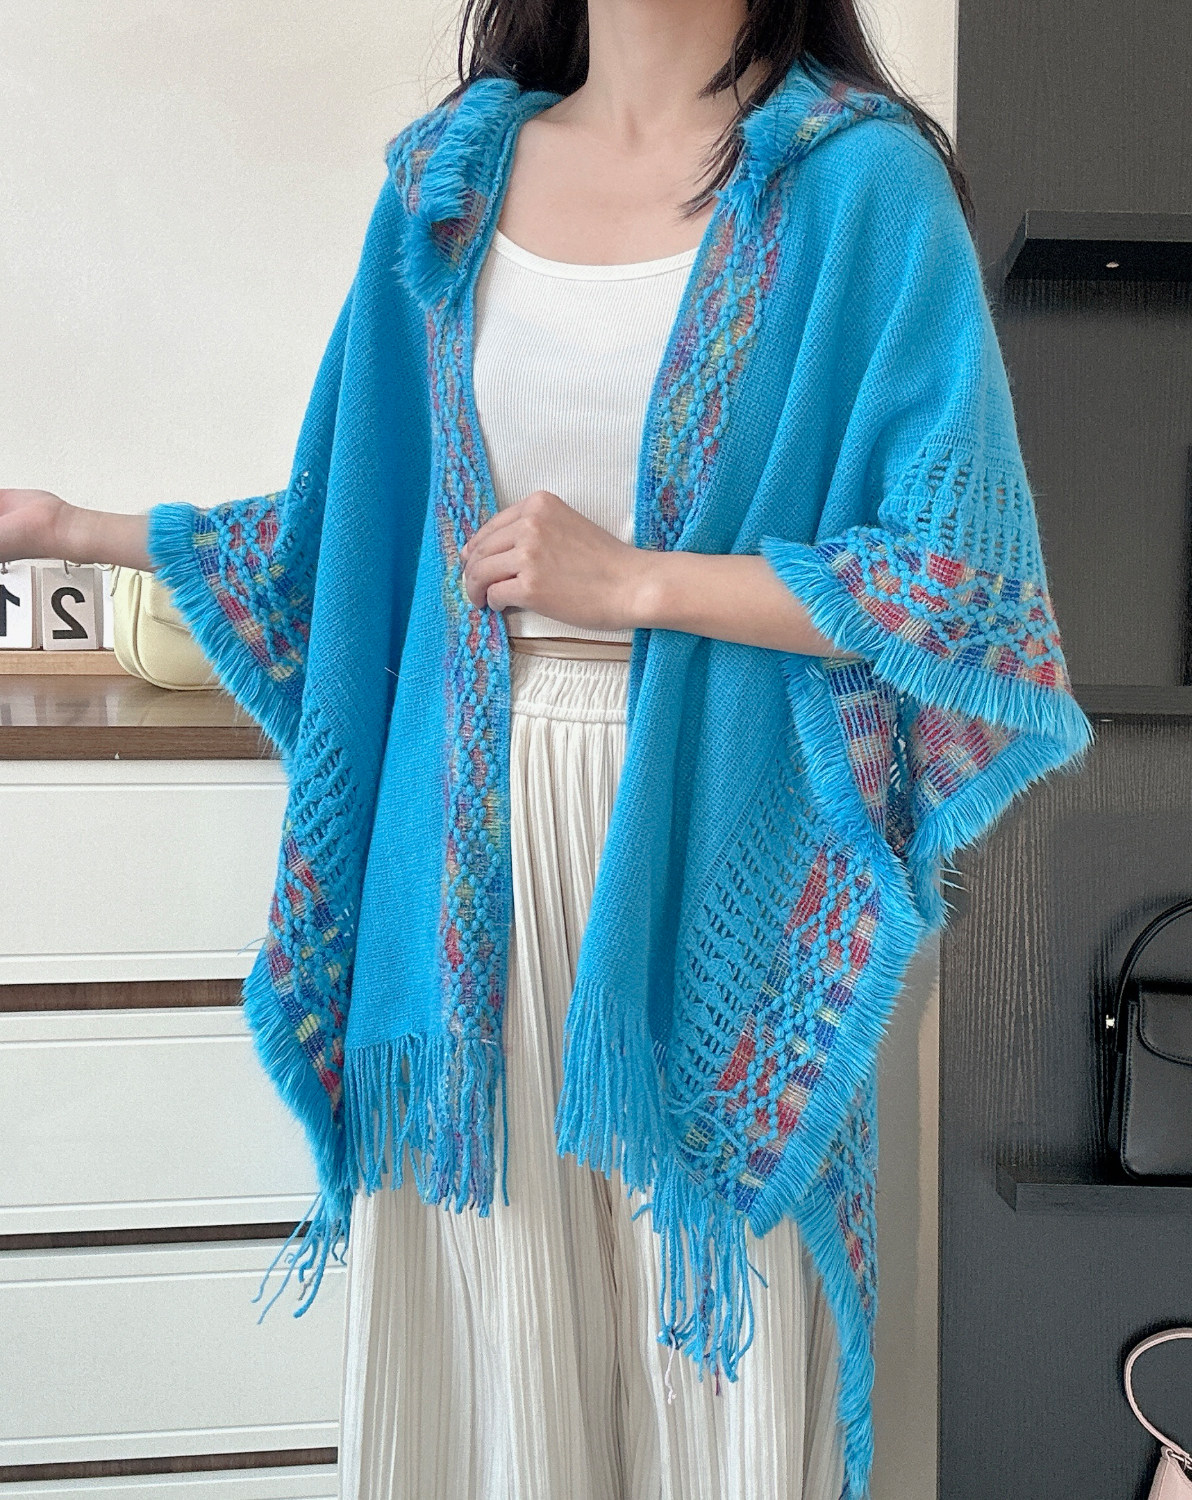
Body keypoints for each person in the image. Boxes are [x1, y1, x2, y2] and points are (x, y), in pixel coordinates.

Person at [0, 3, 1093, 1497]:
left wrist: (637, 582)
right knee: (495, 1329)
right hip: (465, 832)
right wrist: (75, 529)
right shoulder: (446, 186)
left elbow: (956, 583)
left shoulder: (858, 183)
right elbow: (343, 530)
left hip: (720, 829)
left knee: (716, 1332)